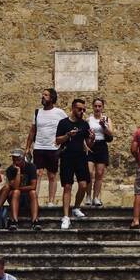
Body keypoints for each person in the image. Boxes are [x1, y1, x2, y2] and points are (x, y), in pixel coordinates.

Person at [26, 87, 68, 207]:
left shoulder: (59, 113)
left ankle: (51, 201)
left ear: (52, 98)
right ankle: (35, 200)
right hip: (39, 147)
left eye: (46, 95)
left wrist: (63, 144)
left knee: (52, 175)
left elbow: (67, 126)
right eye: (43, 95)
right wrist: (28, 147)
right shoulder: (37, 112)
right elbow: (32, 131)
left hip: (53, 148)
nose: (43, 97)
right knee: (37, 173)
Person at [58, 97, 93, 230]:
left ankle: (76, 207)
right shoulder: (63, 123)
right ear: (73, 108)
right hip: (67, 157)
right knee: (67, 186)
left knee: (84, 185)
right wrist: (68, 135)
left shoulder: (84, 124)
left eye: (83, 109)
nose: (82, 112)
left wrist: (92, 139)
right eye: (79, 109)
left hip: (81, 158)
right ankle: (66, 217)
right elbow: (57, 140)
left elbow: (88, 144)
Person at [87, 97, 114, 207]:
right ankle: (88, 196)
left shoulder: (107, 119)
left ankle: (96, 197)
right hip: (91, 145)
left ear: (102, 107)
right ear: (93, 107)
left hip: (102, 145)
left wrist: (104, 126)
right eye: (96, 106)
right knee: (89, 172)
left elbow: (111, 133)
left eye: (99, 106)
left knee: (99, 173)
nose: (97, 108)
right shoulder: (89, 119)